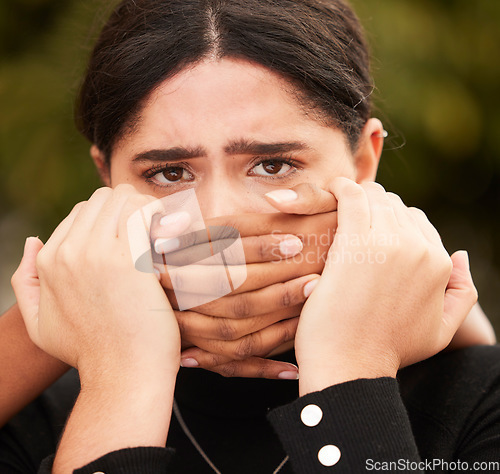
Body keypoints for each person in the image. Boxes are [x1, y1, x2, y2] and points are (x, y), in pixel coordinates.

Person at [1, 0, 499, 472]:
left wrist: (352, 368)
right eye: (170, 174)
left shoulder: (480, 399)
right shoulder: (34, 421)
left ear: (364, 162)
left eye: (273, 164)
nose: (220, 216)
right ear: (108, 181)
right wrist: (119, 386)